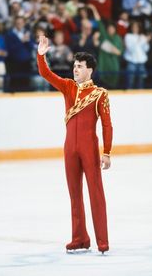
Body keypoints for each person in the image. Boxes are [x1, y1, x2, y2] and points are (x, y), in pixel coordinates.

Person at [37, 35, 113, 253]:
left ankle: (102, 240)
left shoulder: (100, 94)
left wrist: (106, 152)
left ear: (90, 69)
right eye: (74, 66)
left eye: (79, 66)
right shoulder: (69, 88)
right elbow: (46, 73)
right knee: (74, 194)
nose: (75, 69)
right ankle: (79, 237)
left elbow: (107, 125)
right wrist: (42, 55)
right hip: (69, 148)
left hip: (89, 147)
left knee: (95, 193)